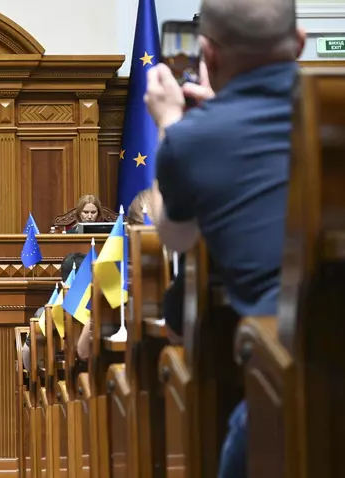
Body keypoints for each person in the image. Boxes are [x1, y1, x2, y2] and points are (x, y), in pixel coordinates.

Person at [144, 0, 304, 475]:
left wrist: (171, 125)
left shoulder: (194, 140)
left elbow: (175, 237)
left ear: (208, 55)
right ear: (298, 43)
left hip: (296, 366)